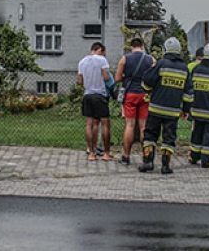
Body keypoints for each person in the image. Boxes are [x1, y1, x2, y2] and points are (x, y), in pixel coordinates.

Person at [138, 37, 190, 174]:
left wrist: (149, 89)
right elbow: (189, 93)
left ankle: (148, 162)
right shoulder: (184, 68)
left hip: (155, 108)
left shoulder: (161, 64)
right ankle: (166, 166)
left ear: (165, 49)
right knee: (169, 138)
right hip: (173, 112)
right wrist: (185, 109)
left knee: (150, 135)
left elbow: (147, 82)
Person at [114, 38, 154, 166]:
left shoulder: (125, 59)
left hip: (130, 94)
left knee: (130, 125)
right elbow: (154, 78)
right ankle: (146, 156)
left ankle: (126, 156)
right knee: (143, 127)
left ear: (131, 47)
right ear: (142, 46)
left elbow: (117, 78)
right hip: (145, 95)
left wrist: (127, 76)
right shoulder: (151, 60)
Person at [77, 42, 112, 161]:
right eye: (103, 52)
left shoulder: (82, 62)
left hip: (87, 95)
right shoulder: (102, 60)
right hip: (100, 94)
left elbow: (80, 81)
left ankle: (92, 152)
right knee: (105, 123)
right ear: (99, 50)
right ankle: (106, 153)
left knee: (89, 124)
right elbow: (106, 77)